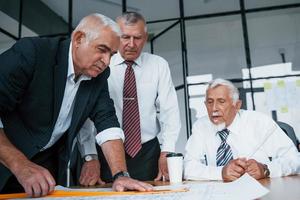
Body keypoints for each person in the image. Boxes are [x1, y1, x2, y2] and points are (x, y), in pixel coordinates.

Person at [0, 13, 152, 197]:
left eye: (111, 54)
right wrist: (20, 164)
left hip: (45, 170)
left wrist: (121, 174)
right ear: (79, 39)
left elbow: (107, 121)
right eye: (102, 49)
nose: (106, 61)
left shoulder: (99, 75)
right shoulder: (32, 52)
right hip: (7, 157)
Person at [91, 11, 181, 182]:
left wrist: (166, 150)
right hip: (106, 151)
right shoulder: (101, 63)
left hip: (147, 152)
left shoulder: (158, 65)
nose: (131, 44)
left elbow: (170, 112)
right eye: (125, 37)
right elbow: (87, 115)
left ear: (145, 37)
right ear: (116, 36)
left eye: (137, 38)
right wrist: (89, 155)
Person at [184, 78, 300, 182]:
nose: (214, 108)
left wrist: (266, 169)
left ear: (237, 105)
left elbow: (294, 160)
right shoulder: (201, 126)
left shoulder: (260, 122)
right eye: (210, 102)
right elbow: (188, 167)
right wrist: (220, 173)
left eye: (221, 101)